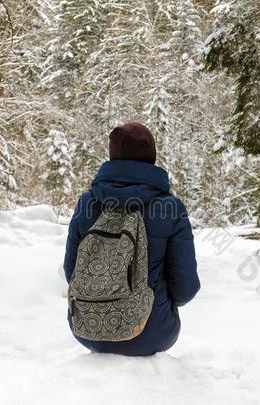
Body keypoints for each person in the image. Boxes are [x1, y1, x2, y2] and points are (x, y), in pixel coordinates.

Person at [63, 122, 200, 356]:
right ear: (151, 156)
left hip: (86, 329)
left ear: (112, 154)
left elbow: (70, 271)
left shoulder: (87, 203)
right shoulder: (170, 208)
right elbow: (185, 288)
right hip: (152, 332)